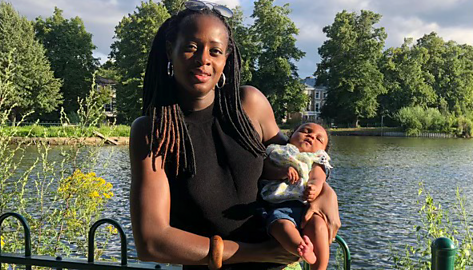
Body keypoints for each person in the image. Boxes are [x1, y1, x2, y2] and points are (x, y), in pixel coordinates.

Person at [129, 1, 341, 269]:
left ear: (226, 59)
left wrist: (326, 193)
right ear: (170, 50)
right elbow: (151, 241)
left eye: (215, 51)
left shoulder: (250, 105)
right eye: (191, 47)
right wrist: (259, 252)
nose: (203, 59)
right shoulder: (153, 131)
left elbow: (299, 161)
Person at [260, 123, 332, 270]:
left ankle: (320, 267)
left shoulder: (316, 159)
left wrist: (314, 187)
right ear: (291, 135)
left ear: (323, 150)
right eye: (306, 131)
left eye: (319, 139)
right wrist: (281, 172)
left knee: (319, 227)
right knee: (280, 225)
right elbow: (265, 170)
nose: (311, 136)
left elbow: (318, 178)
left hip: (306, 206)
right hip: (279, 204)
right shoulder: (277, 151)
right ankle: (300, 247)